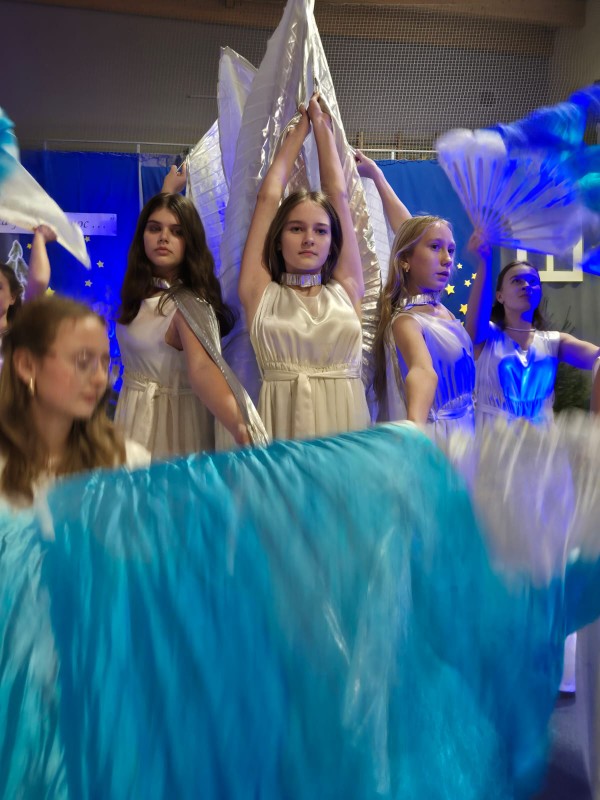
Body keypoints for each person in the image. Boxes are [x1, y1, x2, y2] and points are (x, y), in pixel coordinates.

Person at [238, 92, 370, 440]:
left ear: (333, 241)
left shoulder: (348, 289)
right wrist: (298, 132)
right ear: (278, 239)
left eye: (321, 231)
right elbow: (268, 198)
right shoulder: (259, 293)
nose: (309, 239)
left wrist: (323, 130)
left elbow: (338, 195)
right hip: (283, 434)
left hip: (347, 436)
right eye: (296, 229)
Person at [115, 192, 266, 459]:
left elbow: (203, 369)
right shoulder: (143, 295)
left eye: (177, 232)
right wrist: (171, 185)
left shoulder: (187, 305)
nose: (164, 237)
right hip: (131, 416)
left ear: (190, 241)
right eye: (154, 229)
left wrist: (241, 427)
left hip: (167, 429)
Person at [0, 294, 149, 507]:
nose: (100, 379)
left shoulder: (127, 462)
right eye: (83, 362)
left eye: (105, 363)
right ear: (27, 365)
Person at [465, 234, 600, 428]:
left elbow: (596, 356)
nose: (526, 285)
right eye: (517, 281)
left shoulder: (555, 342)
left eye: (532, 281)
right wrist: (485, 262)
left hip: (542, 439)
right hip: (494, 439)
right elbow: (476, 317)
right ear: (500, 296)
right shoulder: (487, 337)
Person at [373, 216, 476, 442]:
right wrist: (415, 433)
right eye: (435, 247)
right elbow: (422, 371)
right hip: (437, 439)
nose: (447, 259)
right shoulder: (407, 321)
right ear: (405, 260)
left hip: (465, 435)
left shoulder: (445, 313)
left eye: (451, 250)